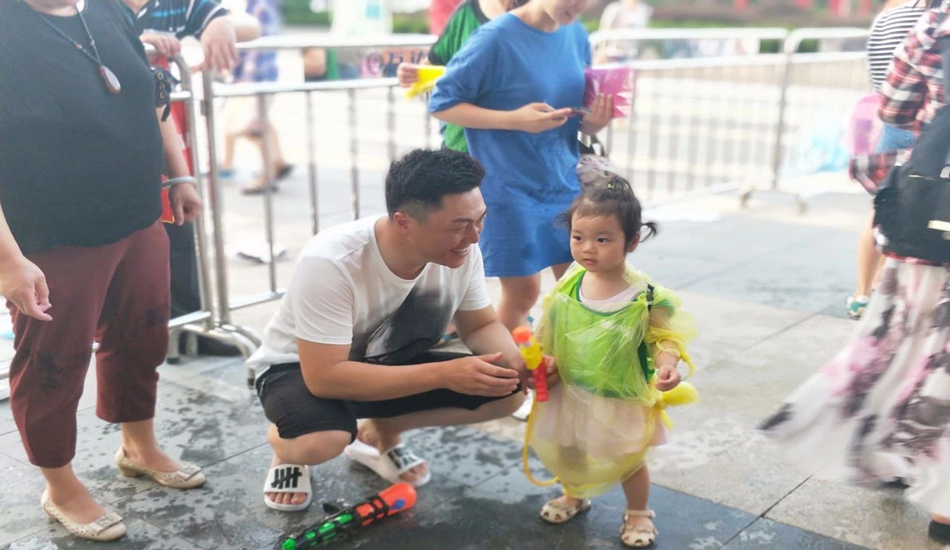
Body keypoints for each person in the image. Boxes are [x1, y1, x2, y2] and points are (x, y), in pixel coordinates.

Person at [0, 0, 205, 541]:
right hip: (52, 235)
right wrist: (8, 261)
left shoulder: (110, 9)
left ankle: (139, 444)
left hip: (138, 216)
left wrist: (179, 176)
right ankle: (60, 484)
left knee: (142, 336)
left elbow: (148, 101)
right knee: (53, 361)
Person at [250, 149, 548, 511]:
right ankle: (285, 444)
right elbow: (324, 378)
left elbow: (481, 324)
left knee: (507, 388)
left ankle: (381, 432)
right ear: (404, 222)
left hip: (391, 361)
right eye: (458, 226)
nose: (474, 237)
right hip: (299, 369)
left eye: (480, 220)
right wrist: (445, 374)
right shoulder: (332, 261)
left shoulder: (461, 250)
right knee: (320, 442)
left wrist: (519, 363)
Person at [761, 2, 950, 544]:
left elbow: (893, 108)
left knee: (910, 345)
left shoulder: (934, 22)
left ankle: (889, 455)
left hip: (932, 217)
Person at [528, 176, 695, 548]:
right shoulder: (570, 282)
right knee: (570, 447)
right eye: (578, 237)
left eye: (603, 239)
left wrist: (668, 364)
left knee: (628, 458)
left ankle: (638, 511)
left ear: (631, 241)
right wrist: (540, 357)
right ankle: (574, 493)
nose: (588, 248)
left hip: (620, 396)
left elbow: (664, 337)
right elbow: (549, 324)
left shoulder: (644, 296)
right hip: (571, 388)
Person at [429, 0, 613, 333]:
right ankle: (502, 364)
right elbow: (442, 103)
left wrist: (595, 123)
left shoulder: (576, 34)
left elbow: (573, 115)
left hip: (561, 181)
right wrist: (513, 120)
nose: (582, 6)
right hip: (507, 187)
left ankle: (561, 363)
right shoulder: (495, 38)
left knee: (581, 286)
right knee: (522, 295)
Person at [124, 0, 260, 356]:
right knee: (127, 252)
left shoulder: (174, 5)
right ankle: (144, 336)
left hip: (166, 133)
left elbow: (250, 25)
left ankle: (185, 328)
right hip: (116, 143)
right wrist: (134, 41)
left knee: (179, 235)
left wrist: (221, 25)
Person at [847, 0, 927, 320]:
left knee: (882, 208)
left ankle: (862, 293)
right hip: (922, 123)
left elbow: (879, 73)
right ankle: (889, 295)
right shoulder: (930, 16)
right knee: (920, 210)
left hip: (889, 121)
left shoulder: (886, 16)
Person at [398, 0, 513, 154]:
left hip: (512, 153)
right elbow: (430, 66)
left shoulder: (535, 20)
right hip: (461, 149)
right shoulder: (466, 13)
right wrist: (414, 75)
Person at [224, 0, 293, 195]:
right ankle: (278, 162)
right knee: (258, 123)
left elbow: (257, 47)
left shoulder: (258, 5)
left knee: (249, 126)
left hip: (254, 77)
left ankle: (267, 176)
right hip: (257, 76)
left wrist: (244, 79)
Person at [594, 0, 652, 64]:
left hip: (632, 54)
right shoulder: (614, 8)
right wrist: (602, 50)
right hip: (614, 54)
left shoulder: (644, 9)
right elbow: (605, 30)